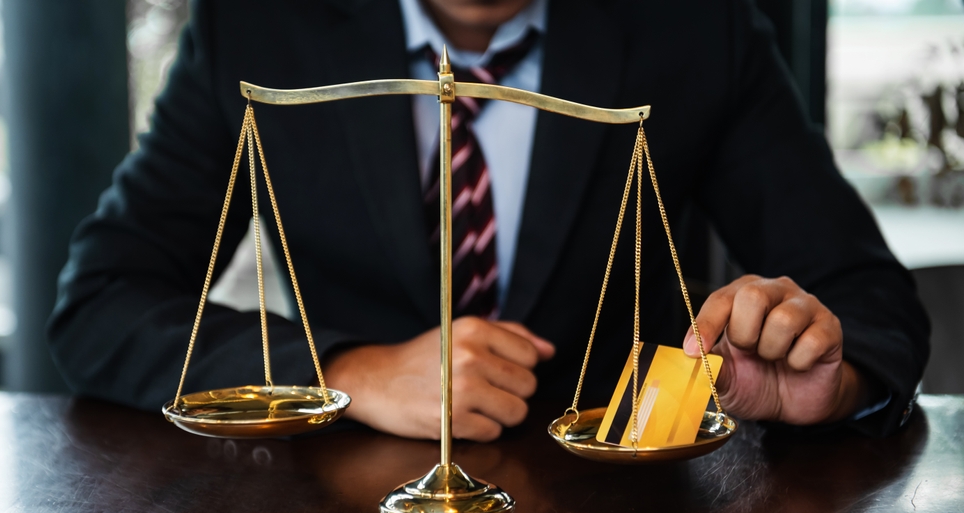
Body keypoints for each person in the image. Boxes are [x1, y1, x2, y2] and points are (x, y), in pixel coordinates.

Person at [48, 0, 929, 442]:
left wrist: (833, 382)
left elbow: (872, 300)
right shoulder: (259, 28)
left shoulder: (692, 27)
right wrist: (351, 371)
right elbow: (99, 304)